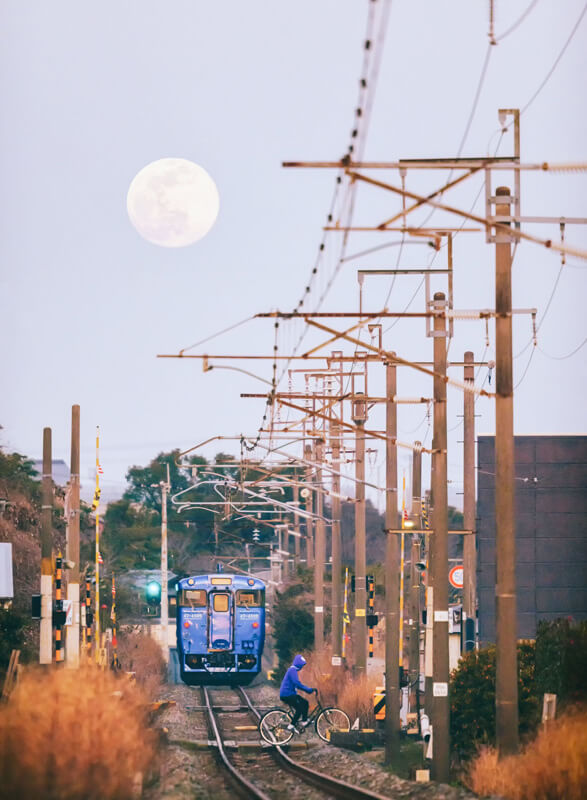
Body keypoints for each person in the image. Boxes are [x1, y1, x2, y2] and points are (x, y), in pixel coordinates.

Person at [279, 654, 317, 732]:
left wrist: (308, 689)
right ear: (298, 664)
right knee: (299, 709)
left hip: (290, 694)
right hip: (287, 695)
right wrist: (308, 690)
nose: (302, 667)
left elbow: (297, 684)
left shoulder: (293, 670)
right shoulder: (292, 670)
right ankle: (291, 725)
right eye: (302, 665)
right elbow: (297, 683)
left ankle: (304, 721)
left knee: (305, 703)